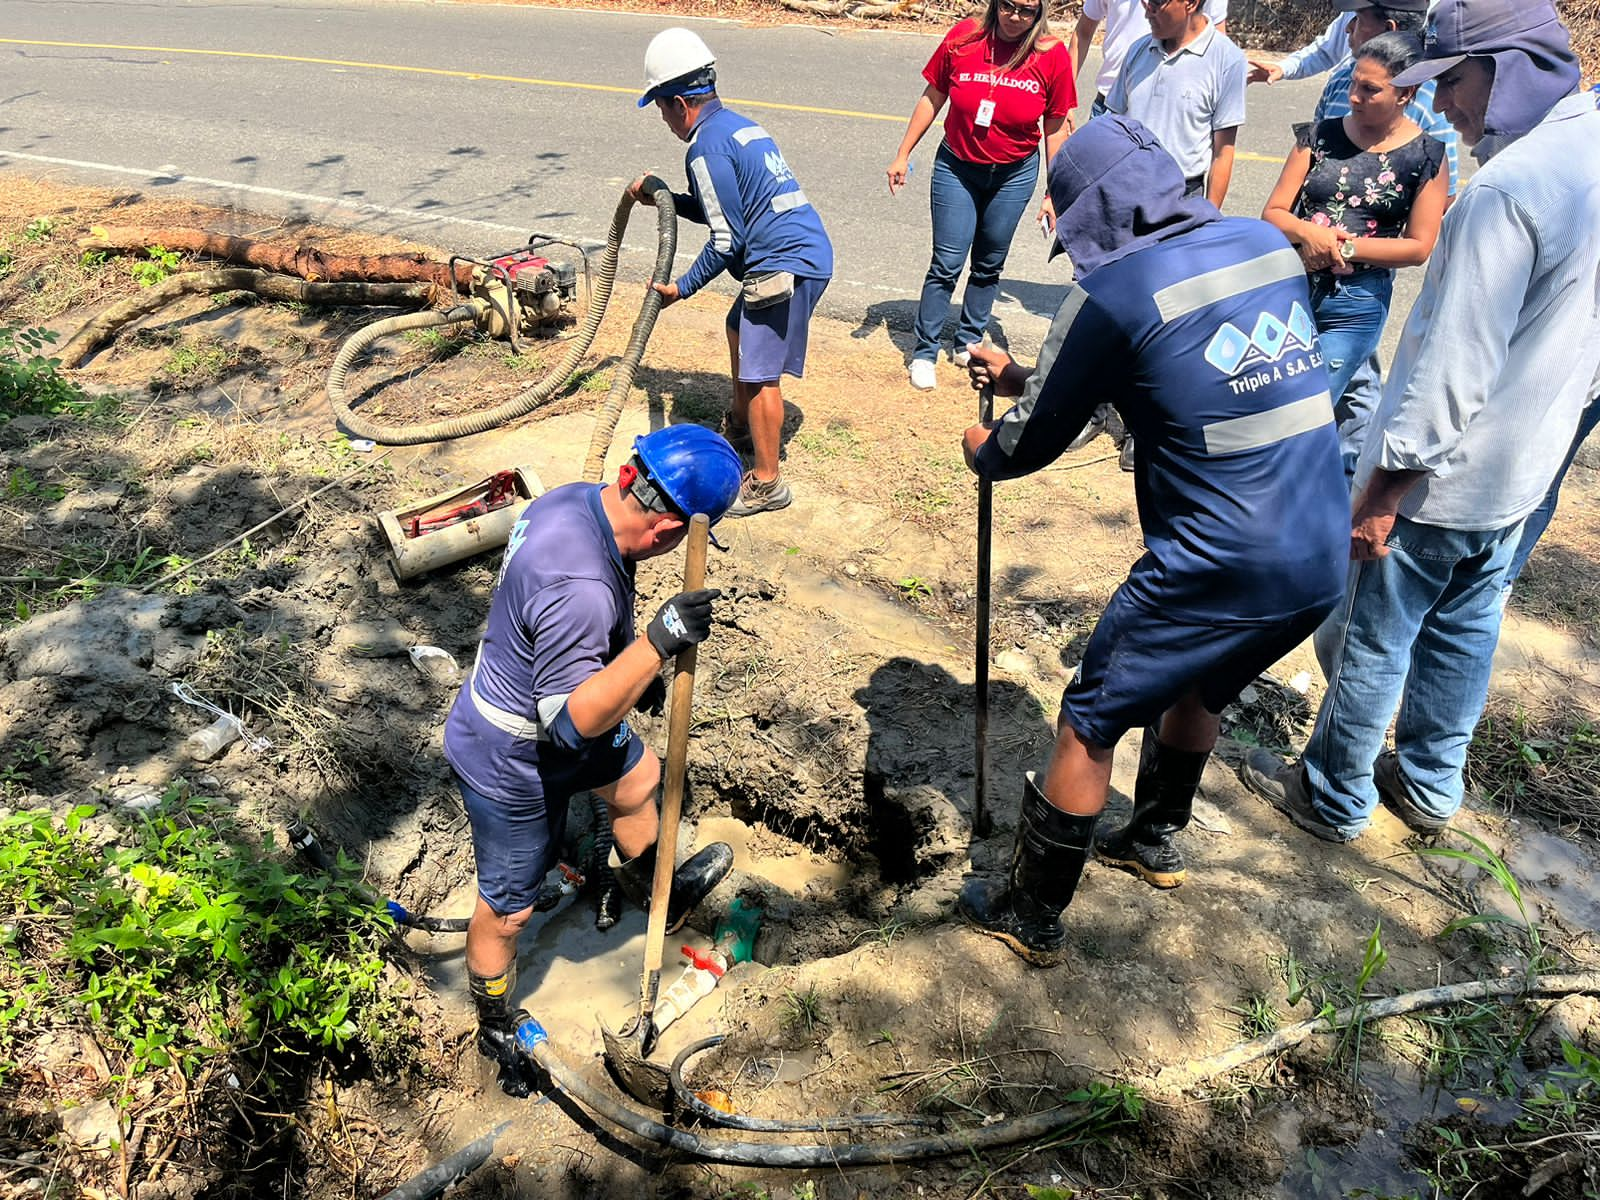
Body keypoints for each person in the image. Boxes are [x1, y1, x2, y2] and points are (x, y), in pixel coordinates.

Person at [956, 116, 1347, 966]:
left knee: (1091, 717)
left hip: (1219, 555)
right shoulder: (1261, 245)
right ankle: (1154, 840)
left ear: (1094, 216)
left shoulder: (1112, 296)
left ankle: (1030, 913)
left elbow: (1025, 447)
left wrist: (982, 447)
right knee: (1200, 688)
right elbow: (1185, 372)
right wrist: (1031, 379)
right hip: (1319, 550)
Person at [1241, 0, 1600, 842]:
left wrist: (1386, 489)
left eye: (1457, 83)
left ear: (1506, 70)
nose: (1448, 107)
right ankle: (1433, 786)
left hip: (1444, 476)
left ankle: (1334, 796)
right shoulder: (1588, 149)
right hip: (1525, 468)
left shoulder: (1509, 190)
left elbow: (1453, 363)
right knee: (1469, 625)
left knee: (1374, 634)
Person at [445, 424, 743, 1095]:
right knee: (509, 908)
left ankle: (650, 886)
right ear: (671, 533)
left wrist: (630, 667)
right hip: (513, 753)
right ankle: (494, 1024)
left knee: (638, 778)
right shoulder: (580, 581)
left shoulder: (581, 502)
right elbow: (573, 722)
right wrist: (657, 643)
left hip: (554, 706)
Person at [630, 28, 834, 518]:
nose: (663, 119)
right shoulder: (737, 127)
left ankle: (767, 483)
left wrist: (681, 287)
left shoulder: (704, 148)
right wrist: (667, 199)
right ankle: (742, 429)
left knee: (762, 374)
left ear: (680, 102)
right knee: (736, 328)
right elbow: (727, 211)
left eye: (660, 107)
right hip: (800, 251)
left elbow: (727, 239)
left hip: (782, 263)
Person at [1262, 31, 1447, 475]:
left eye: (1370, 89)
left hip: (1356, 304)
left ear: (1406, 93)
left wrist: (1344, 245)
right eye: (1354, 85)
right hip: (1291, 289)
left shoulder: (1427, 155)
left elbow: (1419, 245)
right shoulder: (1318, 137)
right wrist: (1310, 233)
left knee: (1301, 410)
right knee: (1302, 398)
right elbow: (1273, 212)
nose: (1356, 97)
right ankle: (1345, 487)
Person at [886, 0, 1076, 391]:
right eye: (1009, 6)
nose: (1015, 17)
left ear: (1038, 13)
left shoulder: (1051, 55)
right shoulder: (965, 37)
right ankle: (924, 350)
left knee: (989, 262)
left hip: (1014, 173)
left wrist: (1053, 191)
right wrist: (904, 154)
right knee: (947, 262)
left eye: (1026, 11)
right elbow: (933, 96)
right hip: (957, 166)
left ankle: (969, 339)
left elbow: (1055, 128)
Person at [1104, 0, 1247, 208]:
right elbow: (1112, 126)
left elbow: (1223, 152)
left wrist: (1208, 219)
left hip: (1182, 199)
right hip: (1126, 189)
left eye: (1156, 4)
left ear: (1190, 3)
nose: (1147, 14)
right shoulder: (1138, 50)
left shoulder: (1227, 60)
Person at [1076, 0, 1229, 118]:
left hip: (1172, 111)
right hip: (1109, 107)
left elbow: (1216, 49)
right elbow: (1082, 33)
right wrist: (1064, 102)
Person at [1248, 11, 1354, 85]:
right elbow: (1323, 52)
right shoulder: (1351, 10)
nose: (1348, 29)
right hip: (1334, 100)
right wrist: (1284, 68)